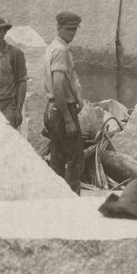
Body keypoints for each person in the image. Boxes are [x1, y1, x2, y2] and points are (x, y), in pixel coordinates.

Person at [44, 11, 85, 194]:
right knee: (75, 158)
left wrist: (78, 93)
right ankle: (73, 201)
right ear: (59, 28)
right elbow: (58, 86)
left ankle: (57, 197)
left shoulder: (54, 46)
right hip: (61, 109)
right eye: (68, 29)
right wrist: (68, 119)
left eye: (75, 29)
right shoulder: (61, 50)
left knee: (57, 157)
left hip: (52, 108)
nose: (72, 33)